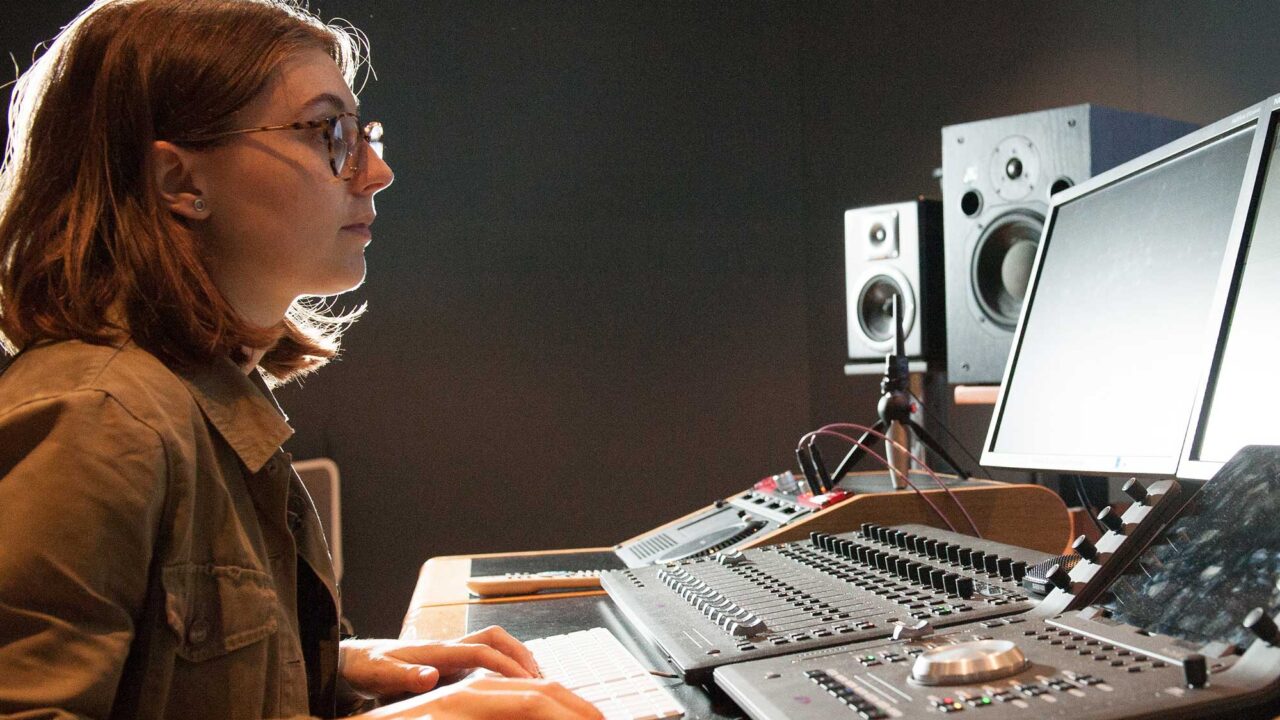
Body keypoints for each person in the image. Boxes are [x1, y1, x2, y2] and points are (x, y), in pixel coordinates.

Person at [0, 1, 602, 718]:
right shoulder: (96, 421)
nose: (375, 171)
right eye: (329, 133)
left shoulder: (200, 386)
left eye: (363, 132)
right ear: (180, 184)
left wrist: (340, 670)